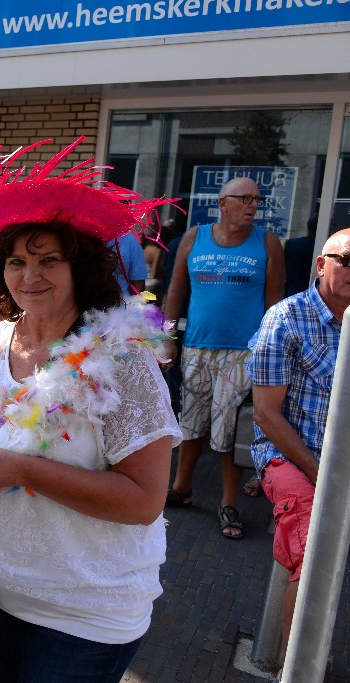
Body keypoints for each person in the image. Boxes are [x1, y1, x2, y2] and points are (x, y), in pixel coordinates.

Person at [0, 136, 181, 682]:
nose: (30, 276)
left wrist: (27, 470)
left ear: (80, 267)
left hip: (85, 615)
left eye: (48, 260)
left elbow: (144, 500)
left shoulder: (122, 360)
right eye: (16, 261)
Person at [249, 227, 349, 671]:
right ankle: (297, 671)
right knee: (314, 558)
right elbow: (266, 415)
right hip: (291, 456)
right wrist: (323, 472)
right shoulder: (287, 318)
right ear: (321, 264)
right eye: (346, 260)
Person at [163, 177, 284, 540]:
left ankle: (228, 501)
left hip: (242, 351)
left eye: (256, 200)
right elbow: (174, 292)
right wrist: (166, 338)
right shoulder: (194, 237)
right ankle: (181, 488)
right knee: (192, 421)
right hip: (197, 346)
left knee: (228, 427)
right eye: (245, 198)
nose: (252, 205)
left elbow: (275, 303)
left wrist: (269, 351)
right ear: (223, 202)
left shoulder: (267, 242)